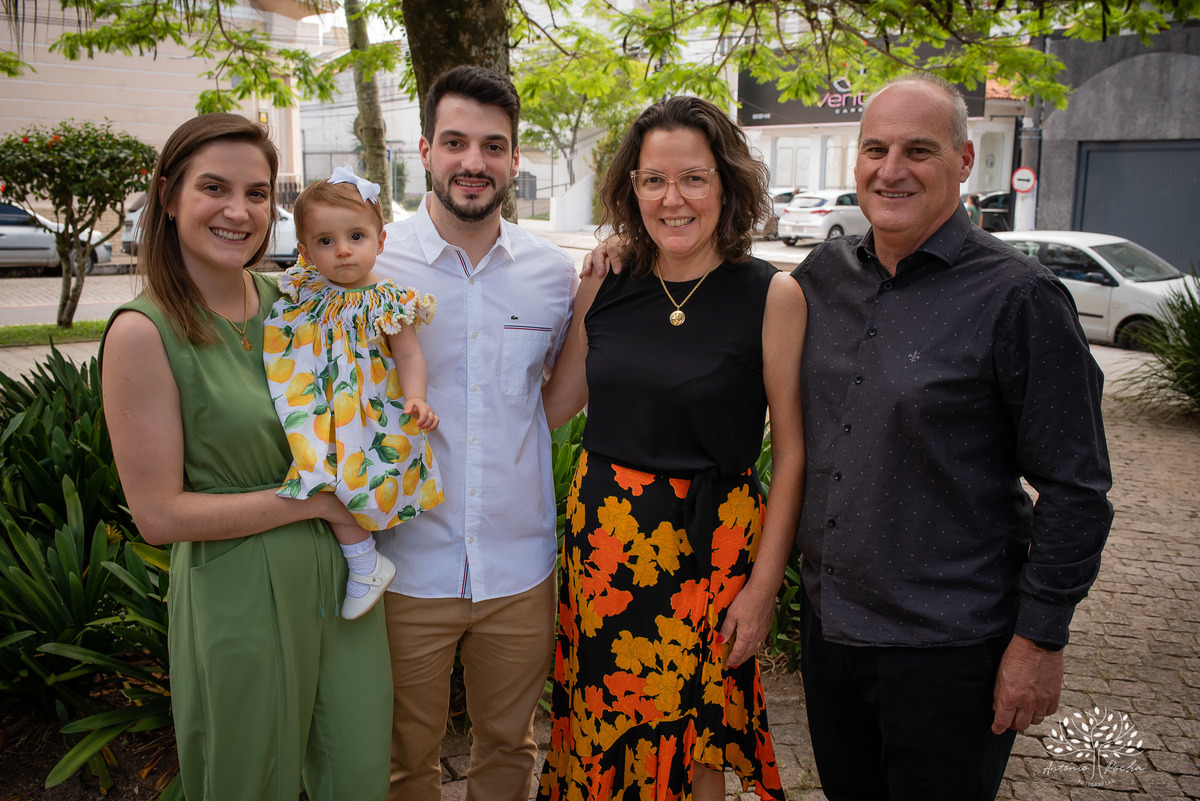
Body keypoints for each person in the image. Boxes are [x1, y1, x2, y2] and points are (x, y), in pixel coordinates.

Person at [790, 72, 1113, 800]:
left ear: (965, 162)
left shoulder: (1020, 299)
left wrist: (1039, 639)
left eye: (919, 150)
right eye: (875, 148)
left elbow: (1076, 488)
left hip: (948, 649)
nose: (891, 169)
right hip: (832, 634)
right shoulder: (820, 277)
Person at [101, 113, 392, 801]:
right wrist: (315, 500)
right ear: (168, 196)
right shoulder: (144, 334)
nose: (239, 211)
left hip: (343, 585)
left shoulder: (297, 300)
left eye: (258, 193)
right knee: (247, 781)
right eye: (214, 188)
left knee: (357, 772)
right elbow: (158, 515)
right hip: (237, 589)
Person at [537, 96, 806, 801]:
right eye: (653, 179)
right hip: (605, 551)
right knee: (600, 731)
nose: (672, 197)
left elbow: (795, 454)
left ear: (727, 186)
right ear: (633, 187)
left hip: (711, 553)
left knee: (697, 746)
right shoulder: (609, 282)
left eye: (692, 178)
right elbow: (552, 406)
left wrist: (763, 586)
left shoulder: (771, 294)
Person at [372, 65, 578, 801]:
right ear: (425, 149)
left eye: (494, 146)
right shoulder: (369, 265)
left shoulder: (555, 276)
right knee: (403, 762)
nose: (473, 162)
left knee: (509, 747)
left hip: (517, 568)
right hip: (404, 565)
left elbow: (551, 403)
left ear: (515, 160)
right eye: (455, 142)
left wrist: (607, 284)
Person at [264, 166, 443, 621]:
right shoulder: (305, 291)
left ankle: (364, 563)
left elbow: (408, 355)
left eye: (356, 236)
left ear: (380, 241)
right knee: (317, 476)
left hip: (367, 412)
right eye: (325, 242)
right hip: (316, 403)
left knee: (358, 480)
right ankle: (362, 563)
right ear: (304, 252)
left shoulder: (389, 300)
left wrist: (417, 397)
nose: (342, 250)